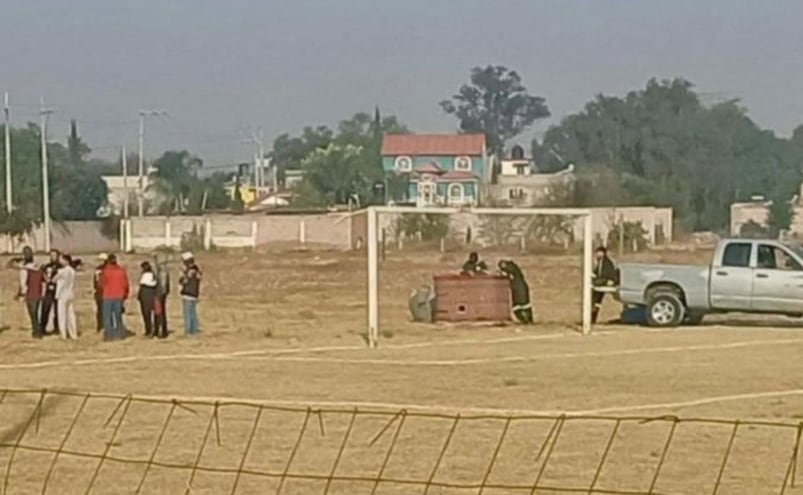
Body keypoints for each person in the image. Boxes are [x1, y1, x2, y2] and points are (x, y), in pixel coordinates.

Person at [100, 253, 129, 341]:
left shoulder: (105, 271)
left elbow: (102, 283)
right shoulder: (121, 271)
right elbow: (125, 284)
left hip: (108, 295)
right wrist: (125, 295)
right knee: (118, 316)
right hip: (119, 296)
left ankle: (109, 335)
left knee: (107, 317)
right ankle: (119, 334)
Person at [16, 246, 44, 338]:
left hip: (31, 293)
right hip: (39, 292)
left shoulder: (24, 268)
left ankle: (36, 331)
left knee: (33, 314)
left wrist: (20, 293)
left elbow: (23, 283)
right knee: (36, 313)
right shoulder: (38, 267)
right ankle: (38, 330)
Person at [53, 253, 78, 340]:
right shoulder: (72, 271)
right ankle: (73, 333)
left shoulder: (62, 271)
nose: (60, 261)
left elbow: (54, 280)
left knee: (62, 315)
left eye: (61, 259)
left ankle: (63, 334)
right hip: (70, 293)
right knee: (71, 314)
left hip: (62, 294)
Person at [592, 246, 618, 324]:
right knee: (595, 301)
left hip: (604, 281)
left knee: (595, 300)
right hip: (601, 281)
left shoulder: (607, 262)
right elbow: (596, 273)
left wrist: (611, 280)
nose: (597, 254)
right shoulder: (599, 262)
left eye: (599, 252)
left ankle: (592, 318)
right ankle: (592, 318)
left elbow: (608, 275)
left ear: (603, 253)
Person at [179, 251, 202, 336]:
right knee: (193, 313)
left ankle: (188, 331)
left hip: (187, 293)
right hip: (194, 293)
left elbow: (184, 281)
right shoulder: (197, 269)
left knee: (187, 314)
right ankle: (194, 330)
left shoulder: (189, 271)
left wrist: (183, 274)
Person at [40, 249, 61, 335]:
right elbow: (42, 276)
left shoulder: (60, 267)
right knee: (45, 309)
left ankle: (57, 328)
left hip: (58, 290)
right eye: (51, 255)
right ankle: (42, 328)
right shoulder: (46, 266)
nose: (53, 257)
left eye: (54, 255)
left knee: (58, 310)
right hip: (48, 291)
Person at [138, 261, 158, 337]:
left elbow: (142, 285)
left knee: (146, 314)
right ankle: (154, 329)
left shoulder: (145, 276)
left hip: (146, 295)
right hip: (152, 295)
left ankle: (148, 330)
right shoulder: (153, 275)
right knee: (154, 314)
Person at [153, 256, 171, 339]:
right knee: (161, 313)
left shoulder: (163, 272)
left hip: (159, 294)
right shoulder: (163, 271)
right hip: (161, 294)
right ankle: (162, 330)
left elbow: (163, 285)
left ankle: (160, 331)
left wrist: (160, 294)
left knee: (159, 313)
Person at [94, 253, 108, 332]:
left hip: (106, 291)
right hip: (99, 292)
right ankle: (100, 326)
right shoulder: (97, 269)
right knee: (99, 310)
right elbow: (95, 281)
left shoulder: (108, 269)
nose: (99, 262)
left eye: (101, 260)